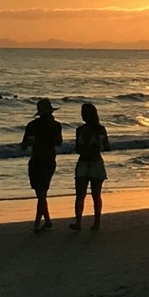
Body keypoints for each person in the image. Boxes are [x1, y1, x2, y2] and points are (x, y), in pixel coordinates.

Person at [21, 99, 64, 232]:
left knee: (41, 192)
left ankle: (38, 222)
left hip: (39, 160)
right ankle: (47, 221)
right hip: (46, 160)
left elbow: (24, 145)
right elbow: (59, 143)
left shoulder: (34, 125)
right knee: (41, 193)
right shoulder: (54, 125)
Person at [72, 103, 111, 231]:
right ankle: (78, 222)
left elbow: (106, 146)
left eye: (84, 112)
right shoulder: (80, 130)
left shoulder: (100, 129)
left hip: (95, 163)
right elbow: (77, 148)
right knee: (80, 194)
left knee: (95, 194)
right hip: (84, 162)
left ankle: (97, 222)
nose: (82, 115)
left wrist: (96, 146)